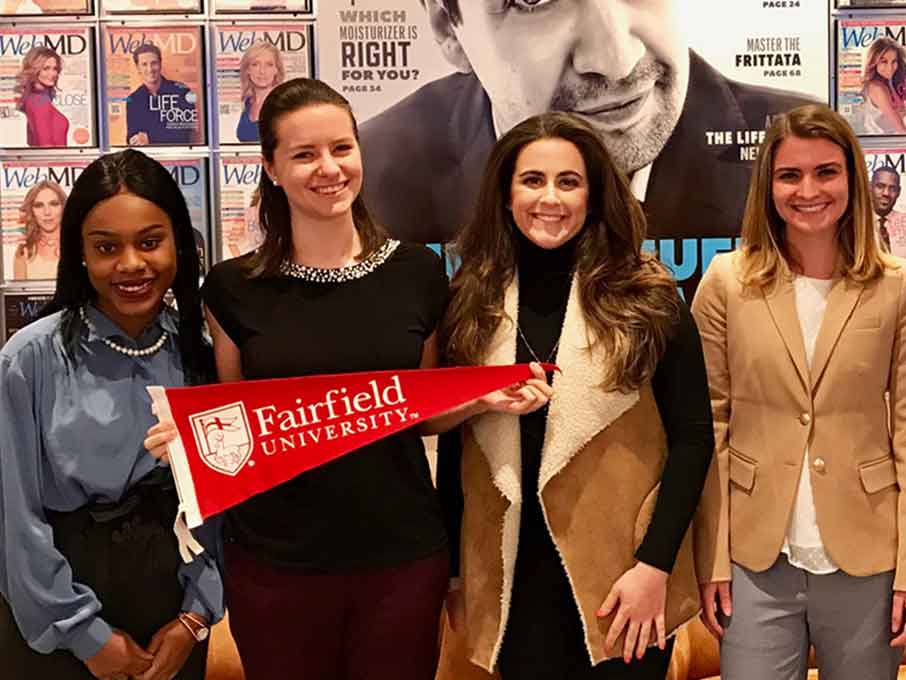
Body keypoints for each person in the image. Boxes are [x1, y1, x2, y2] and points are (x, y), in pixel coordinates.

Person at [188, 76, 550, 680]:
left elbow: (421, 411)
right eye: (304, 154)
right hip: (274, 565)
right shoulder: (233, 288)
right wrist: (186, 438)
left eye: (341, 148)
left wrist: (478, 396)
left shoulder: (417, 273)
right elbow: (236, 423)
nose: (328, 168)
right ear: (272, 168)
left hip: (400, 560)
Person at [435, 111, 714, 680]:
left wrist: (654, 566)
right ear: (505, 193)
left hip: (621, 581)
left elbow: (693, 439)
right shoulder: (469, 300)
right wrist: (458, 574)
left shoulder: (647, 294)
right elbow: (456, 453)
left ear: (594, 194)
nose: (551, 199)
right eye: (532, 180)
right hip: (511, 579)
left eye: (569, 181)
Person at [360, 0, 812, 296]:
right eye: (534, 1)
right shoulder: (372, 179)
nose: (618, 60)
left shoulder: (797, 154)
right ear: (448, 30)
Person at [693, 104, 906, 680]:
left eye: (826, 172)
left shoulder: (894, 287)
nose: (808, 190)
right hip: (754, 559)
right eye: (790, 175)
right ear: (768, 186)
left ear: (852, 181)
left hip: (869, 555)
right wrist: (711, 558)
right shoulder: (726, 284)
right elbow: (707, 426)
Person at [0, 149, 223, 680]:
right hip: (56, 611)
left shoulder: (203, 354)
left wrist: (195, 615)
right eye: (106, 247)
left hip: (172, 609)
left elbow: (217, 503)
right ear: (79, 253)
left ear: (180, 245)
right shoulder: (29, 359)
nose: (130, 265)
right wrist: (84, 633)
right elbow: (14, 521)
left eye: (150, 242)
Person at [126, 43, 197, 146]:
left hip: (177, 157)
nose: (150, 69)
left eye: (154, 63)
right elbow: (131, 137)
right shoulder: (133, 99)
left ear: (160, 64)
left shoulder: (182, 91)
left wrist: (150, 138)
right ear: (138, 68)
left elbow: (184, 131)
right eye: (144, 64)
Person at [15, 46, 69, 147]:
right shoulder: (38, 101)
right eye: (46, 68)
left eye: (55, 68)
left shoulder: (34, 98)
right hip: (55, 161)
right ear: (34, 70)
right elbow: (46, 147)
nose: (53, 73)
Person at [12, 180, 65, 280]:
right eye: (39, 205)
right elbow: (19, 295)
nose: (47, 212)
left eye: (54, 204)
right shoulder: (24, 251)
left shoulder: (78, 246)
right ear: (31, 211)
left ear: (63, 207)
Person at [235, 41, 284, 143]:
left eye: (269, 65)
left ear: (277, 70)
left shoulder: (283, 104)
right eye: (255, 64)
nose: (262, 71)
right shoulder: (248, 102)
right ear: (247, 69)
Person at [862, 37, 906, 135]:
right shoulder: (877, 88)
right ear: (874, 62)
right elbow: (901, 129)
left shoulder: (890, 82)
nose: (890, 68)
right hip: (882, 145)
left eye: (894, 61)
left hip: (893, 142)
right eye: (884, 61)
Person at [871, 165, 906, 257]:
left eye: (892, 188)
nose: (886, 193)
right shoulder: (854, 224)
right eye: (880, 186)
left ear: (898, 192)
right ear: (870, 187)